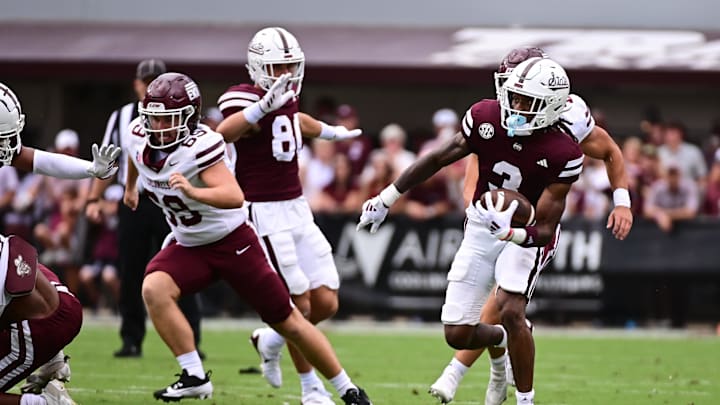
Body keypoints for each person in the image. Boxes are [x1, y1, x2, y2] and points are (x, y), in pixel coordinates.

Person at [125, 71, 371, 404]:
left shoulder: (201, 145)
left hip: (232, 241)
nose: (158, 127)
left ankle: (348, 390)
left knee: (291, 322)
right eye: (153, 119)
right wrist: (130, 187)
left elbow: (233, 195)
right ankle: (194, 375)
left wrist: (195, 192)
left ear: (188, 118)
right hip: (189, 243)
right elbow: (135, 153)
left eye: (166, 120)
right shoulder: (140, 135)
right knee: (153, 288)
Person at [358, 57, 583, 405]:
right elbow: (437, 159)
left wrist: (512, 233)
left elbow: (547, 228)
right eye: (514, 96)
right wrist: (386, 199)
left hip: (526, 232)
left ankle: (525, 399)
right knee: (457, 333)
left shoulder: (564, 151)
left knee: (510, 308)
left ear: (551, 106)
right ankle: (505, 339)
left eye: (527, 102)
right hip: (481, 223)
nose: (516, 107)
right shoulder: (485, 117)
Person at [428, 47, 635, 405]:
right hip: (495, 211)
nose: (513, 100)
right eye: (509, 87)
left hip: (536, 220)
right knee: (496, 308)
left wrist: (622, 203)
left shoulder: (569, 118)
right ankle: (481, 373)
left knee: (506, 304)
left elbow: (610, 150)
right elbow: (481, 158)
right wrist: (479, 204)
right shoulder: (496, 117)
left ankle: (459, 373)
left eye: (520, 89)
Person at [216, 27, 363, 405]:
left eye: (290, 65)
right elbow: (225, 131)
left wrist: (332, 133)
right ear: (257, 66)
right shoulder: (244, 97)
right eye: (277, 66)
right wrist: (263, 106)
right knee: (299, 306)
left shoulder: (286, 97)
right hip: (263, 212)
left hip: (297, 207)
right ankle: (311, 389)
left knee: (327, 301)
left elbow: (296, 121)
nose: (285, 73)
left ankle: (271, 338)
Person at [0, 82, 121, 404]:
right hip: (55, 299)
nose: (8, 148)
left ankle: (45, 402)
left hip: (39, 321)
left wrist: (91, 171)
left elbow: (36, 159)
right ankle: (52, 358)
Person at [85, 59, 204, 358]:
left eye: (156, 79)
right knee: (131, 269)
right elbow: (112, 159)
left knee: (184, 268)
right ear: (137, 84)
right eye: (146, 80)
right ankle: (131, 338)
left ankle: (191, 339)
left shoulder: (183, 114)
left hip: (171, 198)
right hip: (135, 199)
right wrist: (94, 199)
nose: (150, 84)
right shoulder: (124, 117)